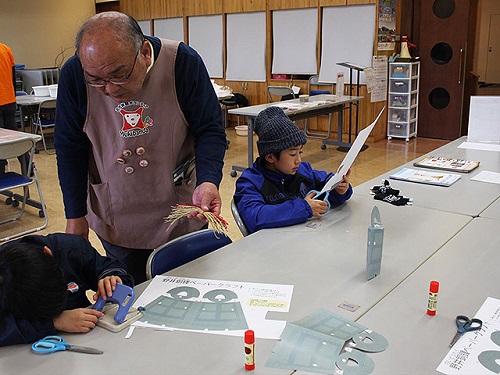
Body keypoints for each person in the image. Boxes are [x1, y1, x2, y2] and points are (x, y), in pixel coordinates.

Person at [54, 12, 227, 284]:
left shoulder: (182, 63)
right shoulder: (75, 74)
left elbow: (210, 129)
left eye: (118, 75)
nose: (109, 89)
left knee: (190, 284)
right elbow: (69, 148)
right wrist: (75, 215)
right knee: (135, 292)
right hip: (116, 210)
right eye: (96, 80)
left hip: (180, 205)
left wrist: (208, 180)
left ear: (145, 52)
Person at [0, 233, 134, 347]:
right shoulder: (4, 278)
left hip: (90, 339)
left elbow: (109, 267)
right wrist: (53, 322)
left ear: (48, 253)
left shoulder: (70, 249)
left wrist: (112, 279)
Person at [233, 106, 352, 234]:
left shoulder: (302, 170)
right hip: (271, 248)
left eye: (300, 152)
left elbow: (326, 183)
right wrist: (304, 208)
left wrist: (339, 188)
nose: (298, 160)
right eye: (292, 154)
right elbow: (255, 218)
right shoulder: (250, 182)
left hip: (303, 241)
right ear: (270, 157)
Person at [0, 42, 19, 173]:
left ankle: (1, 171)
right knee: (16, 137)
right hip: (9, 99)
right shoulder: (6, 49)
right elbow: (13, 77)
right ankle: (27, 163)